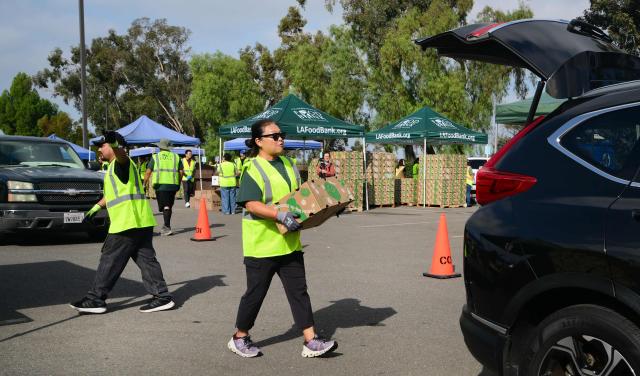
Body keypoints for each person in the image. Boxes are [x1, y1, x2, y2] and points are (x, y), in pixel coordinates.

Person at [228, 119, 337, 358]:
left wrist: (328, 205)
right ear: (258, 141)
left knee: (299, 291)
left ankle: (311, 341)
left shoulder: (288, 163)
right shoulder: (252, 168)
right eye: (274, 136)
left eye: (281, 134)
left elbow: (300, 197)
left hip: (289, 242)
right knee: (255, 294)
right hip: (262, 245)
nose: (280, 139)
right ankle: (240, 337)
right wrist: (278, 214)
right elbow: (251, 204)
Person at [70, 131, 174, 314]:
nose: (99, 149)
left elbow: (123, 157)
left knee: (109, 259)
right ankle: (162, 296)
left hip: (126, 223)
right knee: (147, 260)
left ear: (113, 146)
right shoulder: (113, 168)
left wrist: (116, 145)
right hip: (141, 222)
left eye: (102, 145)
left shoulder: (121, 163)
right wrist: (96, 207)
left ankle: (95, 299)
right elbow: (113, 195)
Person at [144, 139, 183, 236]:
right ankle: (166, 225)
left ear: (160, 147)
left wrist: (144, 184)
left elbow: (148, 171)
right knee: (168, 206)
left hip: (160, 185)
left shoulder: (156, 157)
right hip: (173, 185)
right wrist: (178, 182)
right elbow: (181, 172)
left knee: (165, 206)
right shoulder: (176, 157)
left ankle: (167, 227)